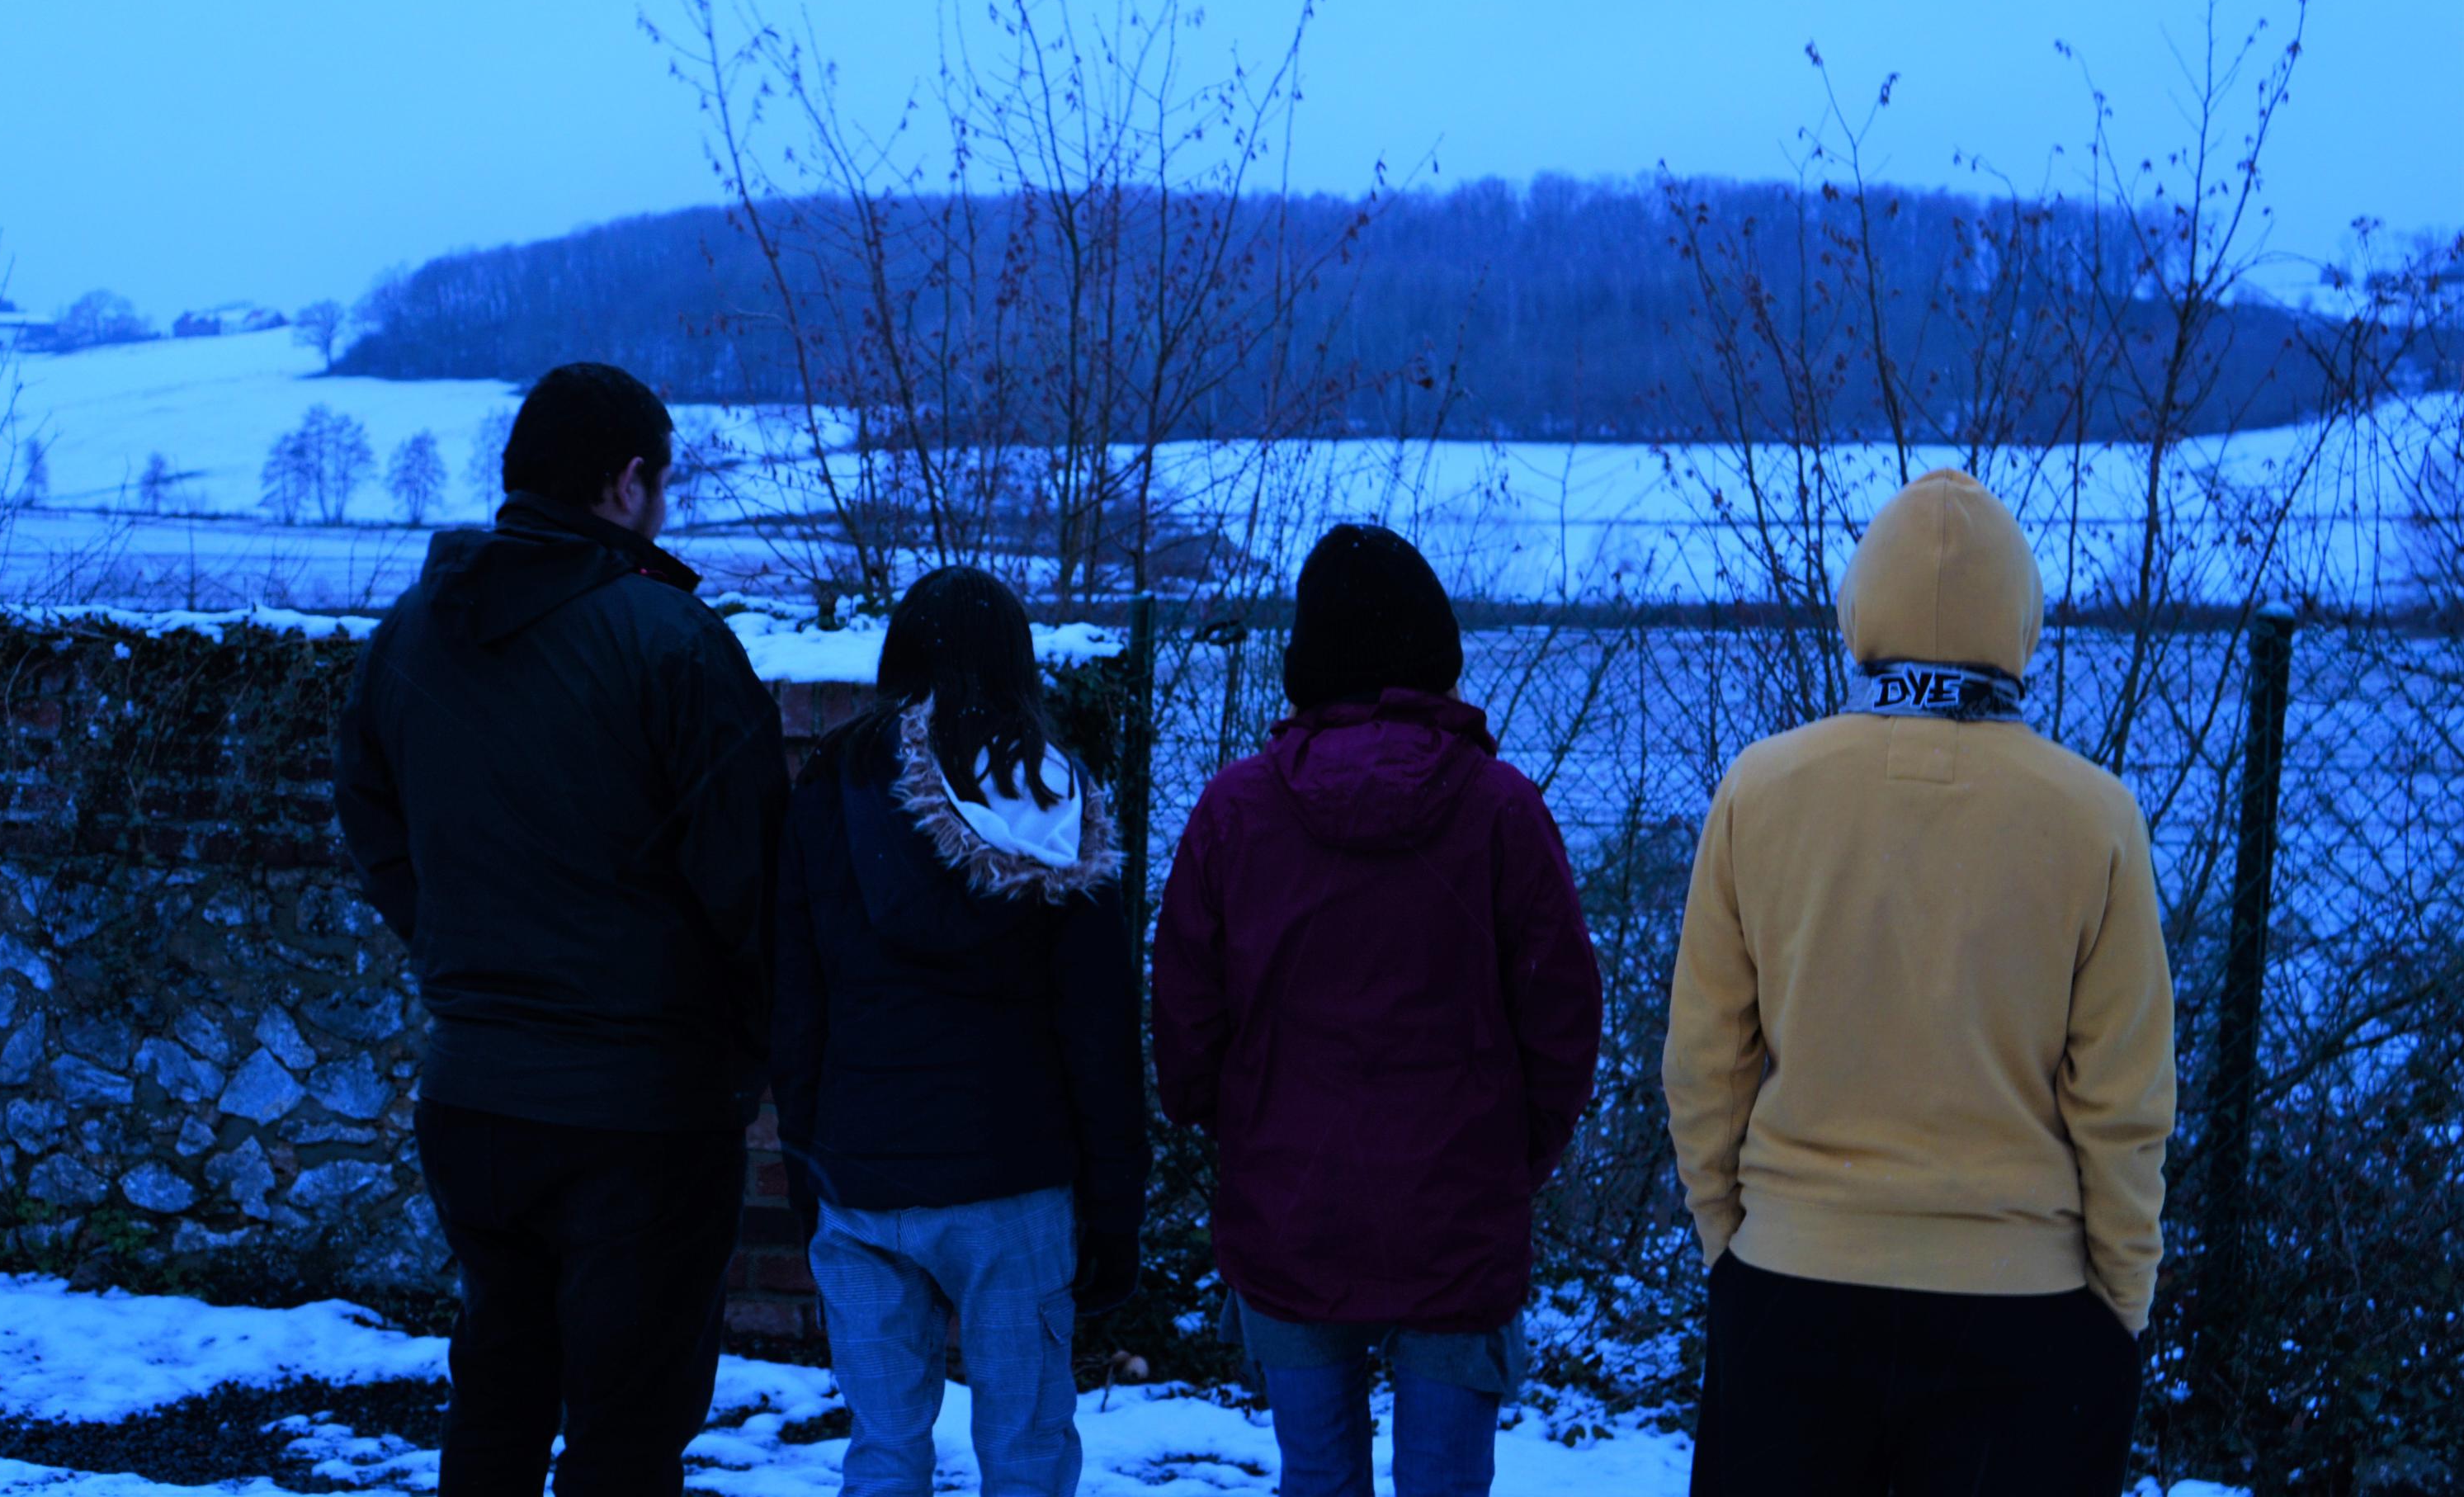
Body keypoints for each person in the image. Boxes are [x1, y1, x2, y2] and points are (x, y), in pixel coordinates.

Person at [1664, 468, 2177, 1497]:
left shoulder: (1760, 792)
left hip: (1792, 1292)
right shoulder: (2095, 818)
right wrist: (2119, 1297)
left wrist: (1737, 1239)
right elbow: (2124, 1103)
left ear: (1862, 607)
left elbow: (1705, 1063)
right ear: (2022, 621)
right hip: (2023, 1313)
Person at [334, 361, 787, 1494]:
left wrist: (455, 951)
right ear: (630, 482)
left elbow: (374, 825)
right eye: (664, 481)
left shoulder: (406, 640)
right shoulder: (669, 643)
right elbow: (754, 888)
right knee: (627, 1431)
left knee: (497, 1391)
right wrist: (749, 1052)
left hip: (473, 1097)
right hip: (642, 1109)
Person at [1153, 523, 1604, 1497]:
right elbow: (1563, 1020)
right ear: (1434, 648)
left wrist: (1238, 1125)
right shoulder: (1501, 810)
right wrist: (1509, 1157)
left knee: (1317, 1476)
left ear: (1305, 657)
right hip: (1456, 1216)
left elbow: (1185, 1023)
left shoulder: (1235, 812)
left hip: (1289, 1206)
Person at [770, 565, 1149, 1497]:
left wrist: (809, 1153)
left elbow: (796, 994)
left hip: (865, 1169)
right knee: (1025, 1456)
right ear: (1018, 665)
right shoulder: (1064, 805)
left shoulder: (832, 784)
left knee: (885, 1453)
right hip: (1014, 1180)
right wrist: (1113, 1208)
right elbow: (1099, 1030)